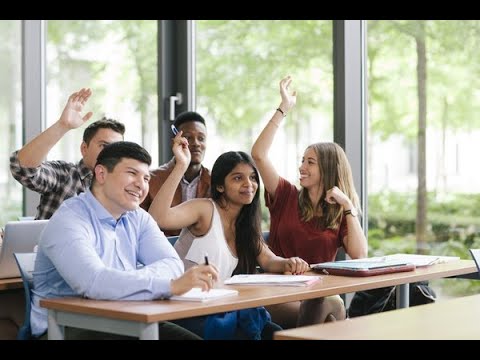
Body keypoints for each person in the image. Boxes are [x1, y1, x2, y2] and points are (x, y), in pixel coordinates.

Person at [30, 141, 219, 340]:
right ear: (101, 174)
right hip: (67, 326)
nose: (141, 184)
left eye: (146, 178)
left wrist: (128, 282)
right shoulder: (69, 219)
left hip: (128, 316)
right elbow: (94, 282)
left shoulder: (138, 217)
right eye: (132, 173)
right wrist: (168, 286)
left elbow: (171, 265)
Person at [148, 133, 310, 339]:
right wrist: (181, 165)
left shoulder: (245, 224)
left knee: (277, 334)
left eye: (252, 178)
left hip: (217, 307)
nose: (248, 184)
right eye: (237, 178)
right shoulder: (205, 209)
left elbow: (268, 260)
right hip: (183, 308)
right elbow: (158, 218)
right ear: (219, 186)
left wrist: (289, 263)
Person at [251, 76, 368, 328]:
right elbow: (258, 155)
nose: (301, 167)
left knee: (323, 304)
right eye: (302, 160)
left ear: (327, 169)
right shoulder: (286, 195)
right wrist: (283, 109)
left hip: (317, 293)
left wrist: (348, 206)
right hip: (277, 291)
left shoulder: (340, 213)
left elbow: (359, 255)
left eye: (310, 162)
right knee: (327, 311)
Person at [10, 88, 125, 220]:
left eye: (116, 148)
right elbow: (22, 168)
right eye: (103, 146)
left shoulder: (119, 188)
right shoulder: (65, 175)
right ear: (84, 148)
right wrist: (62, 126)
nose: (110, 153)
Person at [141, 111, 211, 236]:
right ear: (174, 141)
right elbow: (139, 226)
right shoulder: (150, 180)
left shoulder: (215, 181)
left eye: (201, 138)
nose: (196, 143)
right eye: (188, 137)